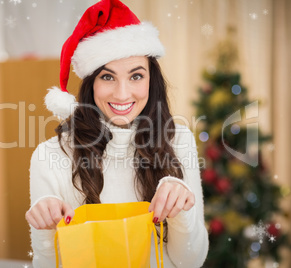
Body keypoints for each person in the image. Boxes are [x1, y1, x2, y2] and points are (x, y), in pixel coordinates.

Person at [25, 0, 209, 267]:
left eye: (136, 76)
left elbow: (191, 261)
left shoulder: (178, 140)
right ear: (91, 83)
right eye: (107, 77)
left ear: (151, 80)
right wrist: (45, 230)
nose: (122, 94)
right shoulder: (49, 155)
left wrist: (180, 211)